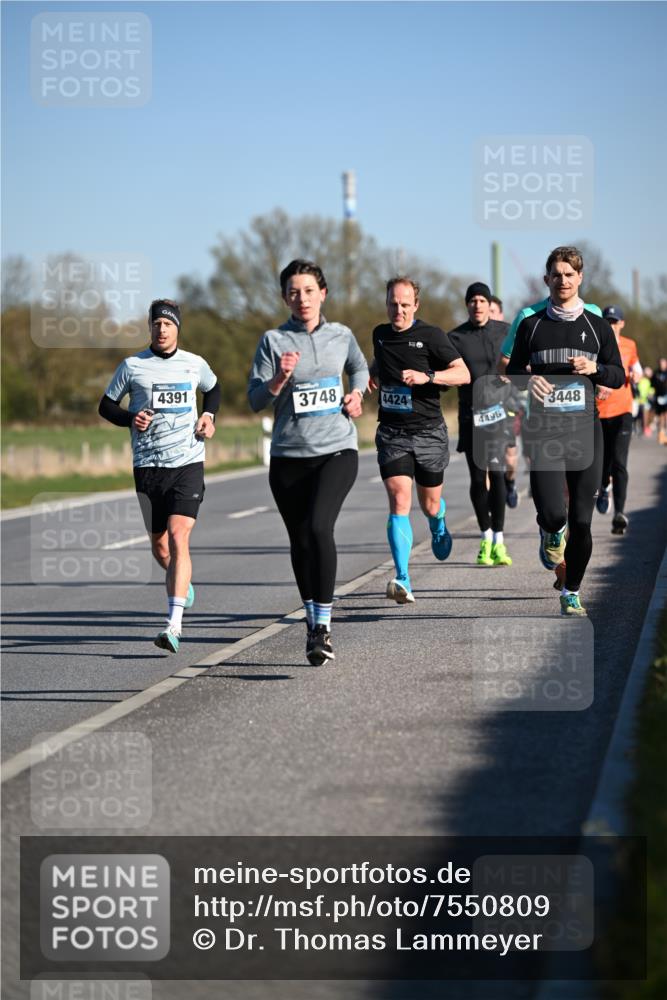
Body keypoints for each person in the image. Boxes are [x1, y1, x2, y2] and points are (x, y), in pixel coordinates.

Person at [247, 259, 368, 665]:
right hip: (288, 457)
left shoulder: (341, 335)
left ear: (323, 294)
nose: (302, 299)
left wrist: (357, 394)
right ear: (285, 297)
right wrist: (279, 379)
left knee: (319, 526)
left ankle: (323, 625)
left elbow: (359, 367)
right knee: (300, 540)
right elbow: (254, 400)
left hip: (337, 449)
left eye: (309, 291)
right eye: (294, 292)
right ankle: (312, 624)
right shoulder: (273, 341)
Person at [507, 247, 624, 616]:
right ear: (547, 280)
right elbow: (511, 375)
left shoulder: (597, 326)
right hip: (544, 434)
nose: (563, 280)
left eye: (569, 274)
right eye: (556, 274)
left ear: (580, 278)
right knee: (555, 515)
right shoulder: (532, 325)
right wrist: (530, 380)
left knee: (583, 521)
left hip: (585, 434)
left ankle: (571, 590)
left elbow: (618, 376)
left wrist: (594, 368)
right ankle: (549, 531)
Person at [99, 299, 220, 652]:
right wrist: (129, 419)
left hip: (187, 461)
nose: (162, 330)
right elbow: (106, 405)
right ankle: (181, 582)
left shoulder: (194, 364)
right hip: (148, 467)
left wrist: (209, 416)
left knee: (179, 535)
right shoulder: (133, 366)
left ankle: (173, 625)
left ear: (177, 328)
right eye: (156, 324)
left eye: (168, 324)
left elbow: (213, 389)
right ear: (150, 327)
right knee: (160, 545)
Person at [370, 276, 469, 604]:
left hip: (428, 432)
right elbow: (380, 361)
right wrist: (371, 377)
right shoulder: (380, 335)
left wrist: (427, 376)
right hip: (392, 433)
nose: (398, 310)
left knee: (428, 505)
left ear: (416, 305)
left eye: (404, 304)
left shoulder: (432, 336)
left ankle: (438, 522)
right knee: (399, 499)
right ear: (386, 303)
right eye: (392, 304)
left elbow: (463, 373)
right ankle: (402, 578)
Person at [448, 283, 515, 566]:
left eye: (482, 300)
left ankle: (499, 540)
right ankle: (485, 535)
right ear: (467, 305)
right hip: (471, 415)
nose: (477, 305)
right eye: (472, 300)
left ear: (490, 305)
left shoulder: (505, 331)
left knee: (498, 475)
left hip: (499, 413)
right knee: (478, 479)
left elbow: (521, 359)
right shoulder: (456, 337)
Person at [595, 306, 642, 534]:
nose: (611, 326)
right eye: (607, 322)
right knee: (603, 462)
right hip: (599, 411)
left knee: (619, 461)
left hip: (623, 410)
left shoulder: (629, 345)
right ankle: (604, 485)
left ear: (622, 324)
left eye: (615, 322)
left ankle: (619, 514)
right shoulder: (594, 345)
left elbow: (636, 367)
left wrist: (637, 374)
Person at [652, 357, 667, 444]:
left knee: (666, 414)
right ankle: (661, 433)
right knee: (660, 415)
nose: (662, 365)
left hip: (666, 395)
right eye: (661, 363)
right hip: (658, 396)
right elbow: (652, 383)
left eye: (664, 363)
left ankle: (665, 431)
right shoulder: (656, 373)